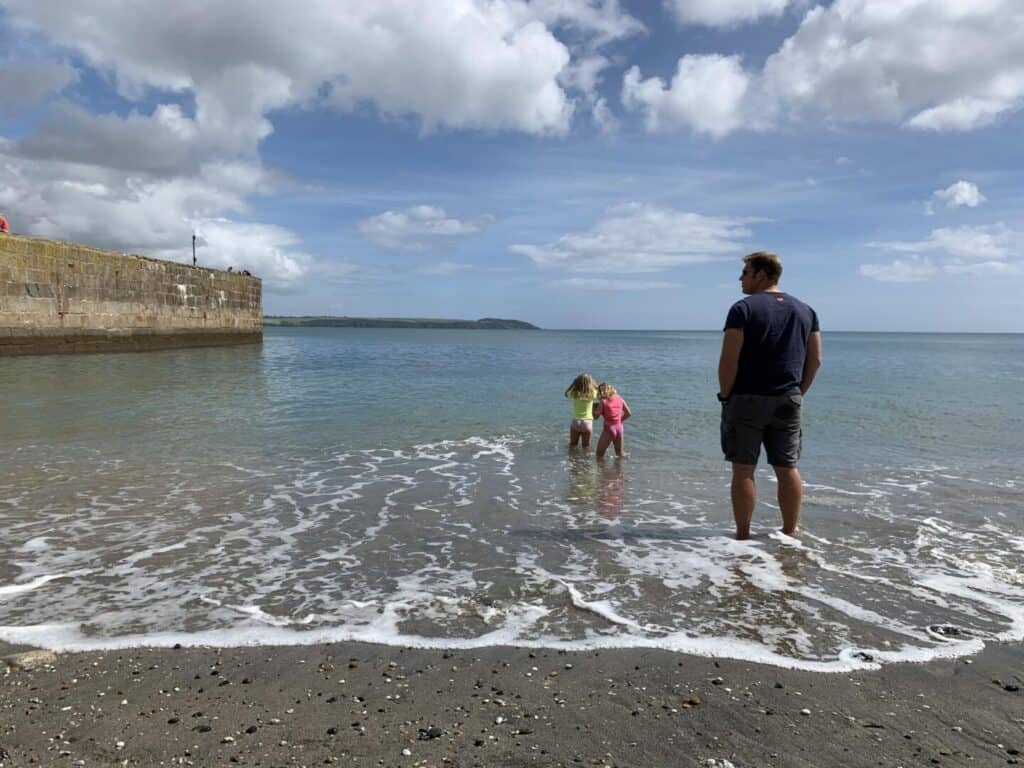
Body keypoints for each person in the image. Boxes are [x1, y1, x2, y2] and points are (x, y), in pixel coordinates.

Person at [717, 251, 821, 540]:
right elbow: (815, 360)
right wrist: (799, 392)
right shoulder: (806, 311)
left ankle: (743, 536)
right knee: (787, 467)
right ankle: (789, 533)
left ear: (761, 274)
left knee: (743, 471)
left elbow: (728, 360)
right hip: (788, 399)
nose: (741, 278)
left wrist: (726, 395)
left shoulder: (742, 309)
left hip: (747, 398)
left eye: (745, 272)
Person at [594, 382, 631, 459]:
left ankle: (602, 471)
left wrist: (593, 409)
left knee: (599, 455)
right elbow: (628, 413)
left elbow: (596, 416)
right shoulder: (620, 398)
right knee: (620, 454)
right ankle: (619, 470)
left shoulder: (603, 401)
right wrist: (619, 420)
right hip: (619, 428)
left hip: (609, 429)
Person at [565, 372, 598, 449]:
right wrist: (593, 383)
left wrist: (573, 384)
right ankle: (585, 461)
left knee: (573, 445)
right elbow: (601, 392)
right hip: (587, 422)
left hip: (576, 421)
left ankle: (572, 460)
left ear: (577, 382)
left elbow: (566, 393)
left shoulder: (575, 393)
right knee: (586, 446)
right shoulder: (592, 393)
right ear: (590, 383)